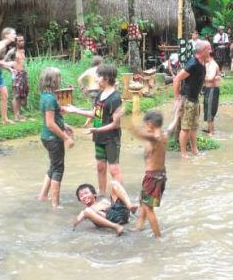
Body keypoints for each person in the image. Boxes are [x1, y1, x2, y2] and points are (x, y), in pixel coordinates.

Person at [63, 64, 123, 196]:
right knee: (100, 167)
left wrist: (97, 129)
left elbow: (115, 124)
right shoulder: (100, 94)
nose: (96, 80)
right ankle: (102, 195)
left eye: (98, 77)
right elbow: (96, 114)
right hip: (99, 137)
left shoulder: (115, 98)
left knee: (114, 170)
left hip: (111, 139)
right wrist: (76, 110)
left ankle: (118, 199)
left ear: (107, 78)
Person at [37, 67, 74, 208]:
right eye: (58, 78)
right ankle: (55, 204)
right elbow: (50, 123)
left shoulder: (46, 96)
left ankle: (43, 195)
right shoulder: (50, 99)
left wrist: (65, 125)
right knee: (58, 168)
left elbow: (54, 119)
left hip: (47, 137)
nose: (60, 80)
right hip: (53, 138)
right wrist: (66, 138)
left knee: (53, 166)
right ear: (53, 81)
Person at [131, 110, 168, 238]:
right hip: (160, 175)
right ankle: (138, 226)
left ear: (150, 124)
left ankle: (158, 237)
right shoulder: (164, 134)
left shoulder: (154, 138)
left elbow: (137, 133)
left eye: (146, 125)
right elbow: (173, 124)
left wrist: (127, 123)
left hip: (152, 178)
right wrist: (176, 112)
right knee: (144, 203)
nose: (145, 127)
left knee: (148, 208)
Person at [173, 40, 210, 158]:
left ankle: (195, 150)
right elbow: (177, 79)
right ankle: (183, 153)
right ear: (203, 51)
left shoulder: (202, 61)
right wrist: (177, 98)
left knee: (193, 126)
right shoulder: (192, 63)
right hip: (187, 99)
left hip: (194, 99)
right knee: (186, 128)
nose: (211, 51)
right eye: (209, 49)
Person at [73, 182, 138, 236]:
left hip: (120, 213)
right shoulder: (86, 211)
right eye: (81, 196)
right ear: (80, 200)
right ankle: (116, 227)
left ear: (94, 194)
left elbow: (113, 205)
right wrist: (77, 221)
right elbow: (76, 221)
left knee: (113, 183)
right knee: (87, 211)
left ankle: (130, 205)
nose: (84, 196)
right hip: (109, 220)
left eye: (86, 193)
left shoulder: (103, 201)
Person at [77, 55, 103, 126]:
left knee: (95, 108)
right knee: (98, 109)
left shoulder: (89, 70)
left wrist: (83, 88)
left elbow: (79, 79)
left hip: (91, 91)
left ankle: (86, 124)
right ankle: (97, 126)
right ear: (100, 63)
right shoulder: (100, 70)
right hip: (98, 90)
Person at [11, 35, 29, 121]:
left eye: (22, 40)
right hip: (16, 75)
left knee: (22, 95)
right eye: (19, 41)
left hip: (23, 74)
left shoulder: (23, 51)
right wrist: (11, 70)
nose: (22, 42)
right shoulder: (12, 52)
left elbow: (23, 63)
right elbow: (5, 61)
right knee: (16, 95)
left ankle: (18, 114)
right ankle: (15, 116)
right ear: (16, 42)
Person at [203, 52, 221, 134]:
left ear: (208, 55)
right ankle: (211, 129)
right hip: (208, 89)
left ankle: (211, 132)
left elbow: (210, 78)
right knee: (207, 109)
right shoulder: (207, 64)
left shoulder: (213, 65)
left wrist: (202, 78)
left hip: (212, 89)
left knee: (210, 111)